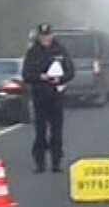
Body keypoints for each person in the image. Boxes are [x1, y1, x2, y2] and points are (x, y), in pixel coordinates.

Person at [22, 23, 76, 173]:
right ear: (38, 37)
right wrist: (40, 77)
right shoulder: (32, 53)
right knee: (40, 131)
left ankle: (56, 162)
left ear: (52, 35)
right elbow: (26, 75)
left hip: (56, 96)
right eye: (42, 36)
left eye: (48, 35)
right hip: (39, 96)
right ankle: (39, 163)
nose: (45, 39)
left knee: (57, 131)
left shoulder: (60, 50)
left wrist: (61, 79)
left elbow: (70, 72)